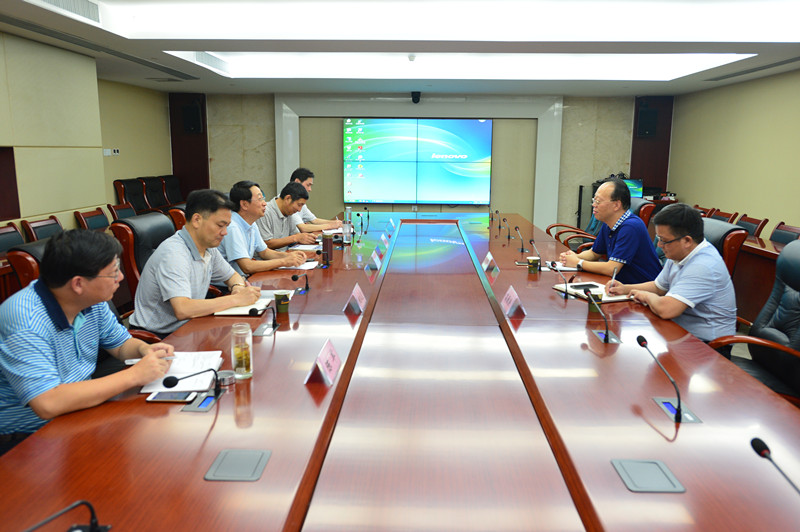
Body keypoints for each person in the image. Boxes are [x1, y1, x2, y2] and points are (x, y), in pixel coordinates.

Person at [0, 230, 174, 454]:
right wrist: (135, 375)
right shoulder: (25, 321)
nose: (121, 277)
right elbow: (48, 403)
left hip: (80, 412)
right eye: (113, 273)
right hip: (29, 439)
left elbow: (121, 345)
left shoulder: (91, 300)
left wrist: (144, 349)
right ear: (78, 284)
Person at [606, 202, 736, 356]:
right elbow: (659, 287)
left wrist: (646, 296)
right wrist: (624, 288)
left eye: (664, 240)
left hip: (708, 347)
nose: (660, 245)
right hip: (680, 333)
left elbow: (666, 310)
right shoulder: (679, 253)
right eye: (658, 238)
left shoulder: (703, 266)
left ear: (687, 241)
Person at [131, 189, 262, 337]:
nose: (225, 232)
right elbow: (183, 309)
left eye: (227, 226)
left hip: (191, 325)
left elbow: (232, 275)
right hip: (159, 336)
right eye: (220, 225)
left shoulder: (208, 247)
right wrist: (236, 299)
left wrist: (237, 287)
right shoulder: (174, 254)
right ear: (196, 220)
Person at [559, 177, 662, 284]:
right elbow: (594, 253)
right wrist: (573, 257)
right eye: (594, 200)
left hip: (642, 288)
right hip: (620, 285)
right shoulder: (608, 223)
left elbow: (612, 269)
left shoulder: (631, 227)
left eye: (598, 201)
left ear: (616, 205)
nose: (594, 205)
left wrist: (578, 262)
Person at [219, 180, 307, 276]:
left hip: (244, 279)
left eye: (263, 199)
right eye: (260, 199)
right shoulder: (232, 227)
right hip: (231, 283)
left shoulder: (252, 223)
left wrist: (290, 256)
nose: (264, 203)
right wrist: (284, 261)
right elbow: (247, 267)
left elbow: (264, 252)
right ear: (244, 204)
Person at [256, 181, 318, 250]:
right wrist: (295, 238)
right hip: (271, 256)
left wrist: (307, 237)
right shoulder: (264, 212)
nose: (299, 210)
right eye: (299, 205)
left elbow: (296, 234)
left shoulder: (288, 212)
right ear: (288, 198)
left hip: (285, 254)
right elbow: (266, 244)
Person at [289, 167, 343, 232]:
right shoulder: (289, 200)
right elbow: (303, 228)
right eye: (308, 185)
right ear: (297, 182)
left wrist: (336, 223)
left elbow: (314, 220)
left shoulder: (299, 200)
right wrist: (330, 226)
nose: (310, 189)